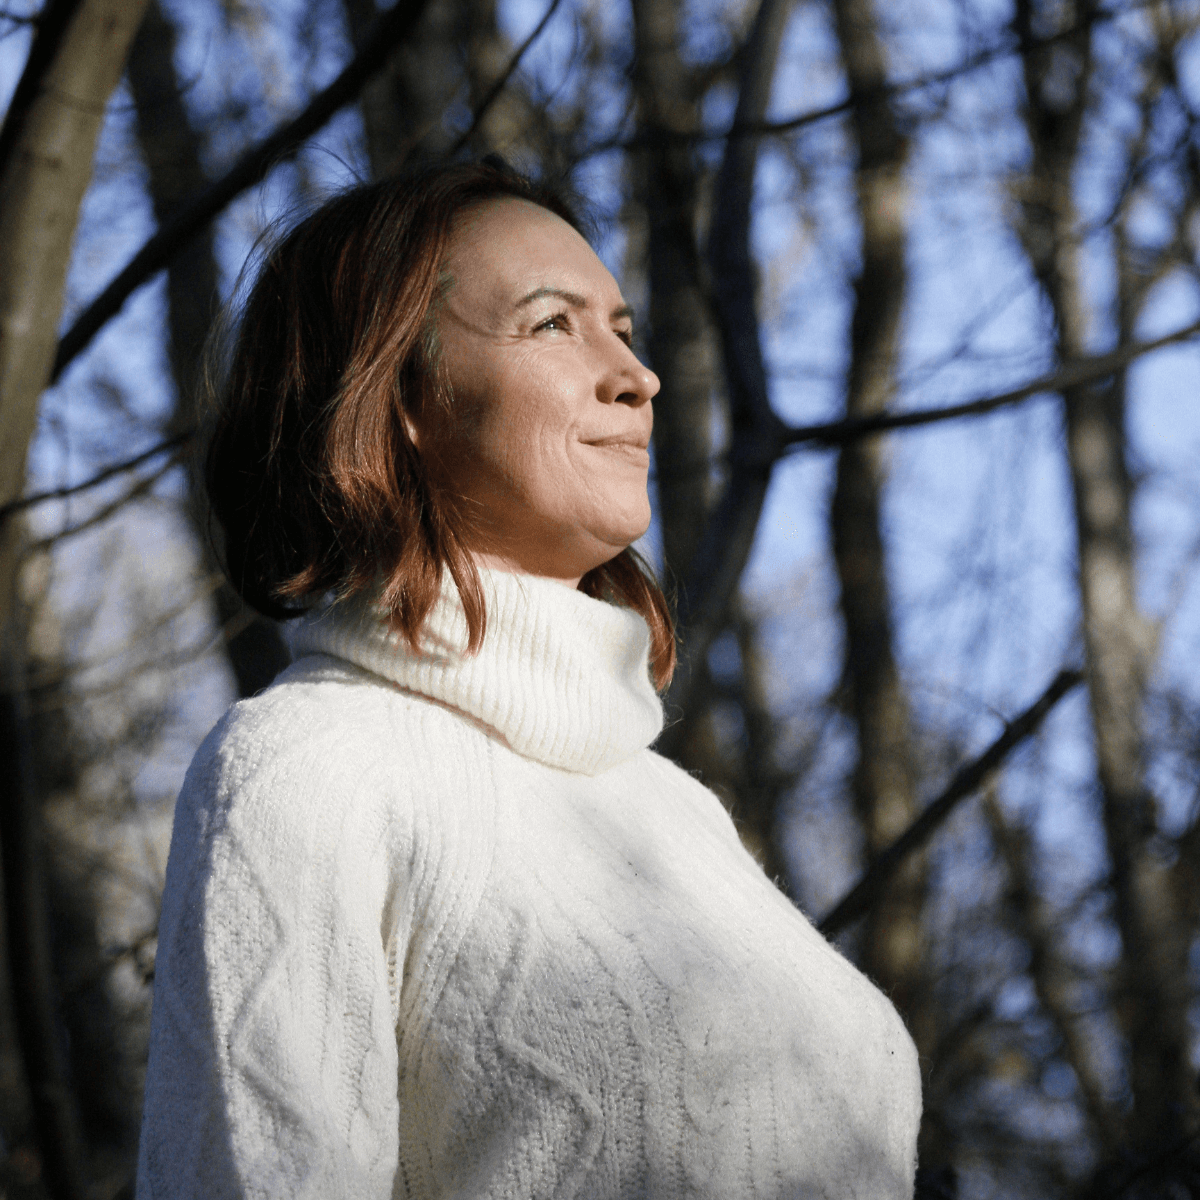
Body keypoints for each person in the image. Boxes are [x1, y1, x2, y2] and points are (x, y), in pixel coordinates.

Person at [136, 159, 921, 1199]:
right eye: (553, 325)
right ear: (398, 397)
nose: (633, 376)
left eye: (624, 328)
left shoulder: (674, 812)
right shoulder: (305, 770)